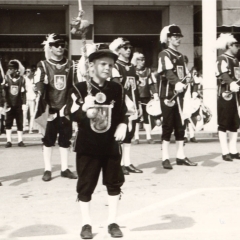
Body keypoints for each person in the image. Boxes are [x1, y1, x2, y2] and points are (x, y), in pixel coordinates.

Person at [65, 44, 127, 239]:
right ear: (91, 66)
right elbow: (70, 113)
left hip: (110, 144)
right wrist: (85, 110)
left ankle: (112, 221)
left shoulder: (117, 89)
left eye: (110, 64)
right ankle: (86, 224)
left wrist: (123, 125)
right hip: (88, 145)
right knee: (86, 184)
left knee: (114, 183)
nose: (107, 68)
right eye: (102, 64)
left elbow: (123, 112)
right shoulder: (79, 88)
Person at [35, 34, 77, 181]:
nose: (60, 47)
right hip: (49, 107)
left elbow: (74, 85)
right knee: (48, 139)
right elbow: (39, 83)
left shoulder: (71, 65)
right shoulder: (43, 64)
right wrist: (40, 90)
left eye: (62, 44)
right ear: (50, 47)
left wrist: (72, 104)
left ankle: (65, 169)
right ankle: (47, 169)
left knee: (65, 139)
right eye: (57, 45)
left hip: (66, 107)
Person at [158, 24, 198, 169]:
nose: (178, 39)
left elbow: (185, 73)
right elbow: (167, 72)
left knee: (180, 126)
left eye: (179, 37)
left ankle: (181, 156)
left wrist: (189, 79)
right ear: (168, 38)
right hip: (168, 95)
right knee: (168, 126)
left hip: (180, 96)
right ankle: (165, 158)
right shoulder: (164, 54)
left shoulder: (181, 56)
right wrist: (176, 83)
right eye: (175, 37)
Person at [109, 37, 143, 175]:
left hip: (133, 105)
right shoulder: (116, 66)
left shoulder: (132, 67)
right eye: (125, 48)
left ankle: (127, 163)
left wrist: (139, 104)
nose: (128, 50)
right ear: (118, 50)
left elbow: (135, 89)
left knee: (129, 134)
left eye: (130, 48)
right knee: (121, 135)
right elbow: (117, 89)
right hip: (122, 105)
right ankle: (119, 164)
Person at [216, 33, 240, 161]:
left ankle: (233, 150)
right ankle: (225, 152)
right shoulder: (221, 58)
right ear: (229, 45)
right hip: (225, 94)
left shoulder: (236, 60)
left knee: (234, 122)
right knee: (224, 122)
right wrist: (231, 83)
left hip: (235, 95)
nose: (238, 47)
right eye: (236, 45)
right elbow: (222, 73)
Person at [131, 52, 159, 144]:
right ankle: (136, 137)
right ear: (136, 60)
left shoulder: (148, 71)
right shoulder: (132, 70)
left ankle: (148, 136)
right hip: (136, 97)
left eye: (143, 59)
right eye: (140, 60)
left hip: (146, 96)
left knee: (147, 117)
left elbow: (151, 84)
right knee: (137, 117)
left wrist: (155, 94)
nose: (143, 62)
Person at [1, 60, 27, 148]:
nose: (9, 70)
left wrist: (24, 103)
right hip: (9, 104)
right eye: (9, 68)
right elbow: (4, 92)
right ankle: (9, 141)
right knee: (8, 123)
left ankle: (20, 140)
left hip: (18, 104)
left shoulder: (22, 79)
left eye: (11, 68)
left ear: (16, 69)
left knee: (20, 123)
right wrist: (5, 103)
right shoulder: (6, 78)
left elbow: (23, 92)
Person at [23, 67, 37, 133]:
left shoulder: (34, 79)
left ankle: (30, 129)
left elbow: (36, 89)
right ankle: (23, 128)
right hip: (25, 99)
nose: (27, 72)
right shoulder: (24, 79)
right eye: (26, 71)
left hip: (32, 98)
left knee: (32, 114)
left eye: (28, 71)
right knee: (24, 113)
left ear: (31, 72)